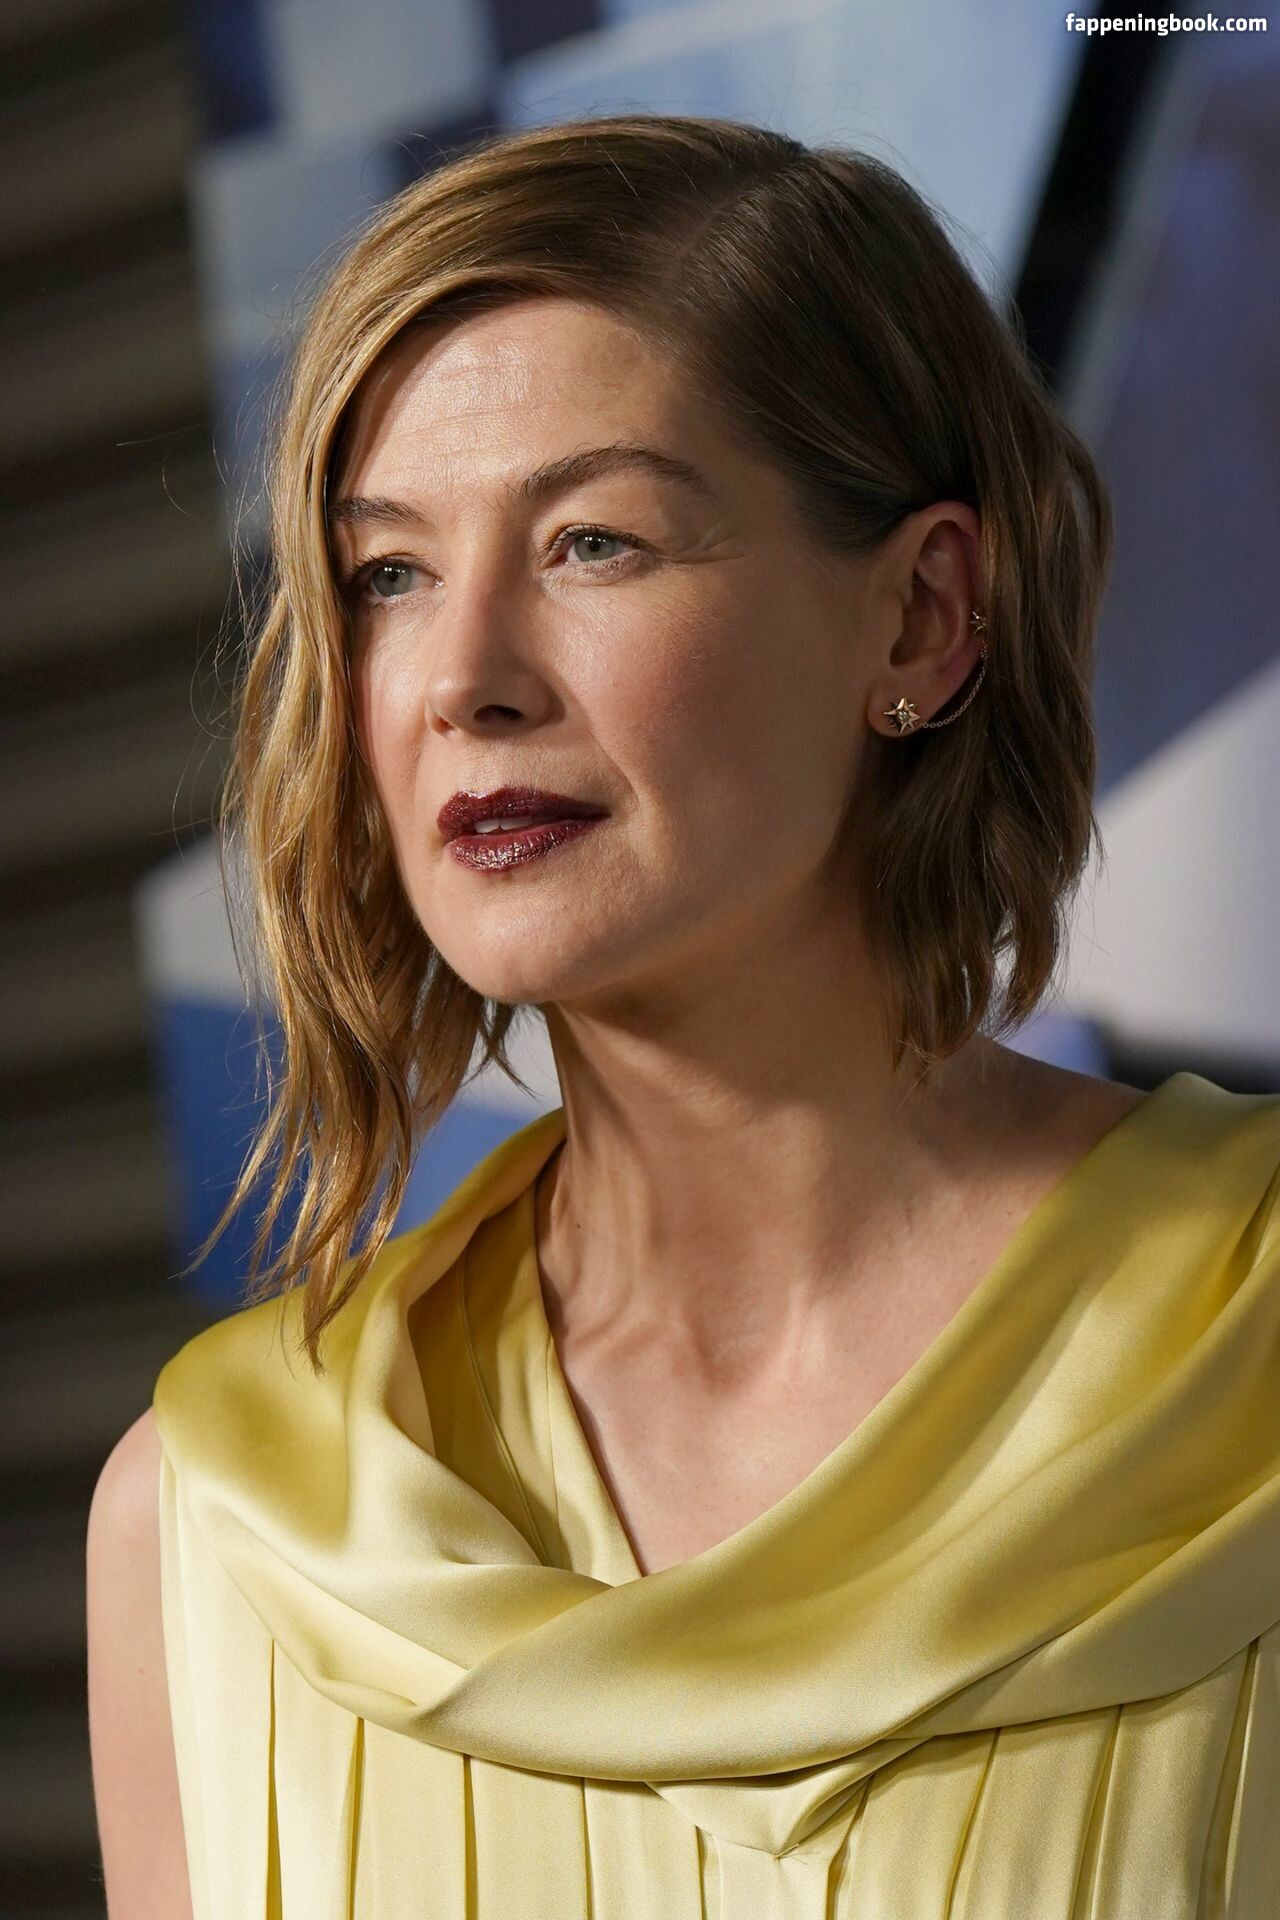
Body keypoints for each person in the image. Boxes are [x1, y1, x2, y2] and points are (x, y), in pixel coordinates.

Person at [87, 112, 1280, 1919]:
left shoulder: (1245, 1344)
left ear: (924, 617)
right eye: (390, 572)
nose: (465, 679)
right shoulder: (221, 1524)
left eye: (595, 542)